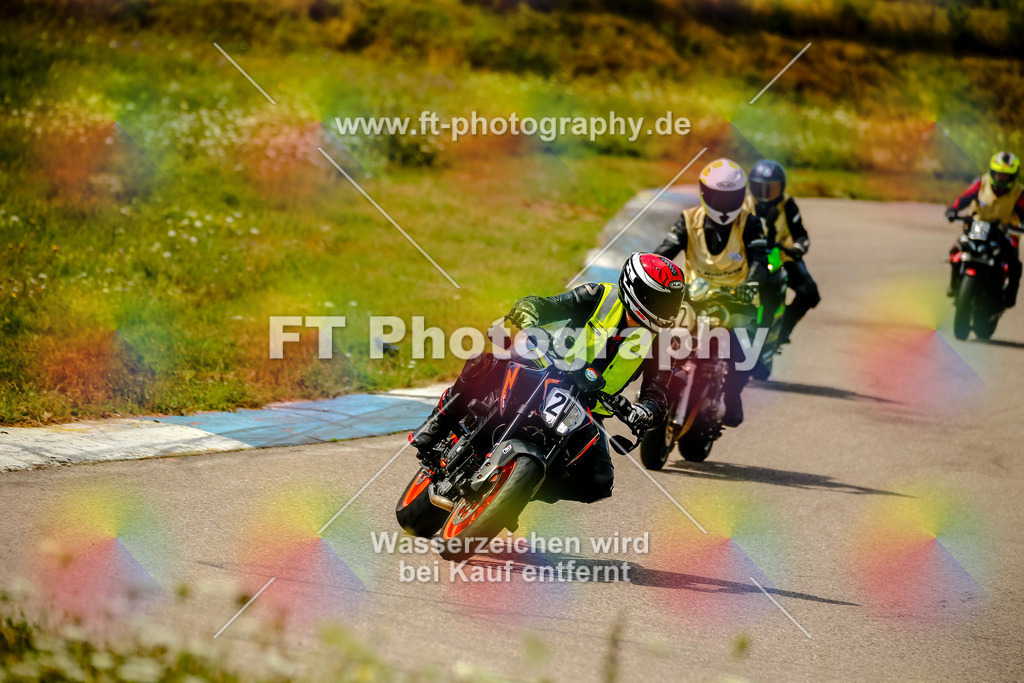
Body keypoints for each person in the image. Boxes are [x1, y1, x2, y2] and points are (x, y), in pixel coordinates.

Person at [409, 252, 686, 503]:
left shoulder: (663, 342)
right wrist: (530, 311)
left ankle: (520, 490)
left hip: (588, 409)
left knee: (599, 480)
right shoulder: (599, 296)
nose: (667, 309)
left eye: (672, 302)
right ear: (636, 290)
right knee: (485, 362)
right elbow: (549, 305)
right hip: (547, 369)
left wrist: (645, 412)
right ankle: (438, 422)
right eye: (661, 300)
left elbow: (658, 394)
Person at [653, 158, 769, 427]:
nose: (724, 203)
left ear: (742, 195)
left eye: (731, 197)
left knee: (745, 351)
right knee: (663, 338)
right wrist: (652, 272)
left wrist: (750, 284)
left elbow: (760, 260)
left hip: (737, 299)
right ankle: (655, 388)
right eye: (718, 196)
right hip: (694, 297)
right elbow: (664, 253)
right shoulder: (688, 220)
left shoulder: (750, 223)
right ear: (705, 193)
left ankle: (732, 395)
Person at [743, 159, 820, 344]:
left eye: (772, 189)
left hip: (782, 257)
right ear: (752, 187)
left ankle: (783, 329)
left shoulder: (787, 204)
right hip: (751, 258)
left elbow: (801, 235)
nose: (765, 195)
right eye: (760, 188)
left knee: (810, 293)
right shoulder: (744, 205)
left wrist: (797, 248)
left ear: (782, 187)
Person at [946, 151, 1024, 308]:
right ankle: (954, 285)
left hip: (1005, 231)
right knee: (957, 249)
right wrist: (952, 210)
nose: (1001, 178)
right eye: (999, 174)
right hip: (978, 226)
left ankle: (1010, 295)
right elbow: (964, 198)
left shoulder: (1019, 192)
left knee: (1014, 263)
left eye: (1005, 176)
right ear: (992, 172)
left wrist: (1020, 226)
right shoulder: (981, 182)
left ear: (1013, 176)